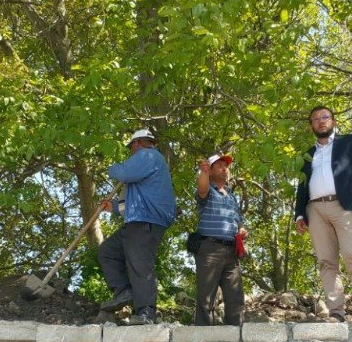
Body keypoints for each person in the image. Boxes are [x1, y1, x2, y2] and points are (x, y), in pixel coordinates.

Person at [294, 106, 352, 322]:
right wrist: (299, 214)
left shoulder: (350, 142)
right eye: (315, 119)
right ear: (310, 126)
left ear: (333, 121)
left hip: (346, 206)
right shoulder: (307, 154)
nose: (321, 121)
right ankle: (336, 312)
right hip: (315, 210)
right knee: (326, 261)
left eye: (325, 117)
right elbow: (302, 186)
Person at [97, 128, 176, 325]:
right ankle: (124, 292)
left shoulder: (148, 155)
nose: (131, 151)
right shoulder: (148, 166)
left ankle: (146, 313)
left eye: (131, 146)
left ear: (138, 143)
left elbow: (123, 173)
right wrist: (113, 207)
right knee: (108, 251)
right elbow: (136, 202)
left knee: (140, 265)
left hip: (146, 221)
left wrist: (113, 168)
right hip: (138, 218)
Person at [193, 153, 246, 326]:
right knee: (206, 297)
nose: (225, 169)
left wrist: (242, 230)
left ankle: (236, 337)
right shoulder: (208, 191)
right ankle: (202, 340)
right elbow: (201, 188)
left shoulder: (231, 196)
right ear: (211, 170)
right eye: (220, 166)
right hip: (209, 248)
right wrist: (204, 172)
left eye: (226, 166)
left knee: (235, 298)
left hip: (232, 251)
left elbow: (238, 221)